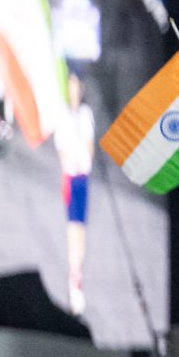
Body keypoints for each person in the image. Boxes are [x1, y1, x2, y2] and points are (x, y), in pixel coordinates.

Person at [57, 74, 96, 317]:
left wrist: (84, 161)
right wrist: (69, 163)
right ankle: (74, 273)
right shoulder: (63, 115)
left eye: (76, 86)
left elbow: (90, 142)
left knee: (81, 224)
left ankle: (77, 271)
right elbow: (61, 146)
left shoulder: (85, 114)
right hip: (70, 175)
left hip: (82, 173)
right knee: (73, 224)